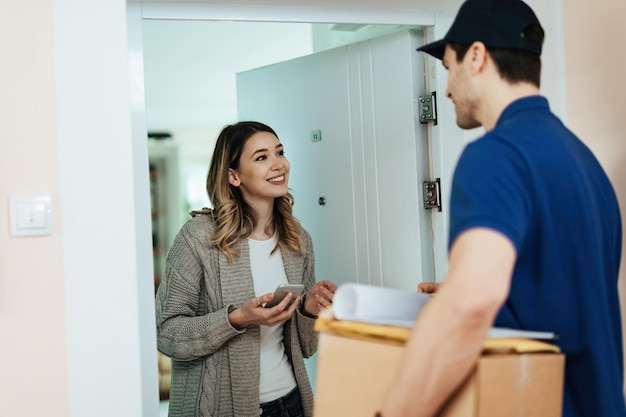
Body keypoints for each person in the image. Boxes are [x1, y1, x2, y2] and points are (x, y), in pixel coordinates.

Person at [379, 1, 625, 416]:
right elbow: (563, 284)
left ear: (476, 55)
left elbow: (473, 302)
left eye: (449, 67)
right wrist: (496, 292)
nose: (448, 89)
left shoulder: (494, 155)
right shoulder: (582, 160)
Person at [155, 121, 337, 417]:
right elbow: (166, 334)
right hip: (220, 409)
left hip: (291, 402)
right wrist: (236, 319)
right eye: (262, 157)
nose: (278, 164)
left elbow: (305, 347)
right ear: (234, 176)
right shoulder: (198, 238)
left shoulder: (298, 239)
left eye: (280, 152)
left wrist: (308, 308)